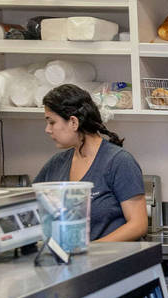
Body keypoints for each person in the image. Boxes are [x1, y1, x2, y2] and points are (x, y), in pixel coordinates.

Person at [33, 84, 147, 242]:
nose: (47, 129)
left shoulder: (119, 162)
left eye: (52, 122)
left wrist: (91, 250)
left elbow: (138, 225)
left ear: (73, 122)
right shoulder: (56, 164)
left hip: (110, 263)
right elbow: (31, 210)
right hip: (69, 263)